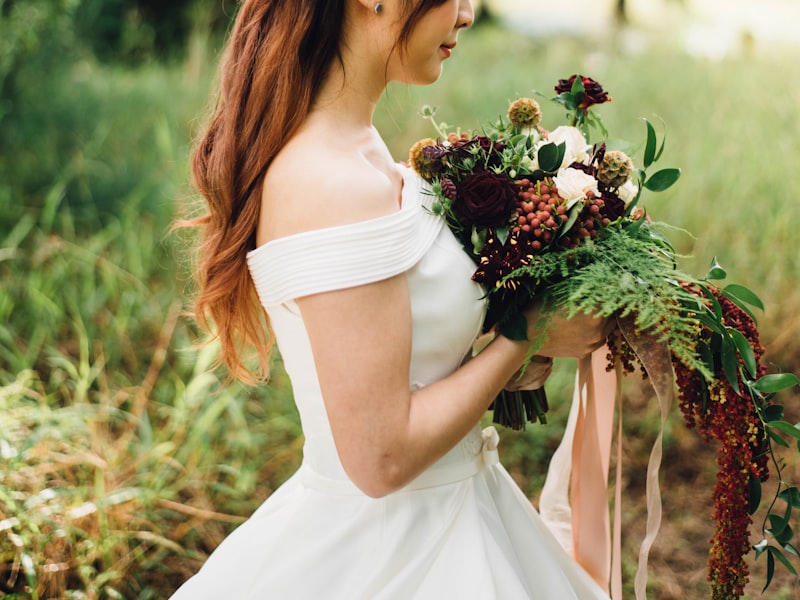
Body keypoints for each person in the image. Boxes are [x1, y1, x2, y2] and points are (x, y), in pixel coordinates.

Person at [171, 0, 612, 598]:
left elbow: (407, 359)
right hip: (394, 552)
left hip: (461, 506)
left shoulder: (363, 148)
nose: (468, 15)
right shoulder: (331, 184)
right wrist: (525, 333)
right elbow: (381, 460)